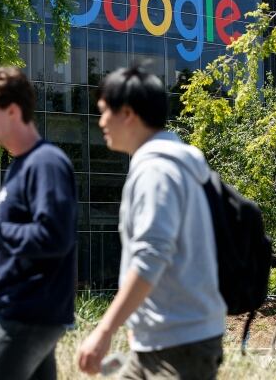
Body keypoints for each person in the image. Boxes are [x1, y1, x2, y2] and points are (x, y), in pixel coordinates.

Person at [77, 66, 226, 379]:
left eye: (104, 112)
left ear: (128, 113)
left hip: (178, 345)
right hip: (167, 339)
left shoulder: (156, 172)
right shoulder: (172, 165)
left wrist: (102, 333)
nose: (101, 122)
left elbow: (151, 257)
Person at [0, 66, 77, 380]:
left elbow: (53, 236)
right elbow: (23, 239)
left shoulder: (46, 163)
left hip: (28, 314)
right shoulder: (20, 166)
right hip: (28, 312)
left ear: (12, 111)